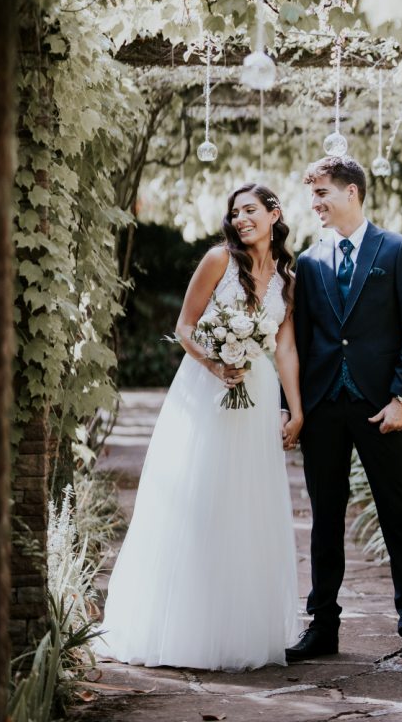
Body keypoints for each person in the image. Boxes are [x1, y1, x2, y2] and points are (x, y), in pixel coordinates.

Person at [96, 183, 303, 671]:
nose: (241, 219)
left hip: (255, 398)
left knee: (246, 507)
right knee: (200, 497)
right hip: (204, 391)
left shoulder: (288, 277)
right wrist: (216, 364)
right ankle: (184, 628)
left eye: (251, 210)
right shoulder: (217, 260)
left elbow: (286, 347)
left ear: (274, 214)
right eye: (235, 212)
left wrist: (296, 410)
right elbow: (186, 326)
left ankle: (237, 630)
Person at [284, 156, 402, 668]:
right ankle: (322, 625)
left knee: (399, 515)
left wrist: (401, 398)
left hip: (381, 407)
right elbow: (300, 341)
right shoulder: (307, 262)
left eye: (323, 192)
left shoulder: (398, 251)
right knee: (324, 519)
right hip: (325, 405)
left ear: (353, 192)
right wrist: (295, 409)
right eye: (313, 194)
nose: (315, 203)